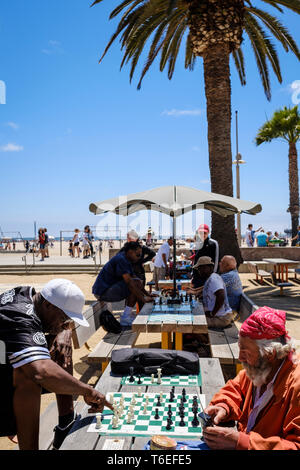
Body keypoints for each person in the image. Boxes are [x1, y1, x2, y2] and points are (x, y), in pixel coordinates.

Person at [0, 279, 112, 450]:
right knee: (29, 376)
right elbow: (41, 372)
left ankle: (65, 423)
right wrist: (88, 391)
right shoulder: (21, 316)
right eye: (63, 317)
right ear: (47, 305)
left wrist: (64, 331)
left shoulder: (29, 295)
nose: (64, 323)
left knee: (59, 346)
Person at [203, 306, 300, 450]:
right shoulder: (260, 367)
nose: (240, 357)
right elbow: (236, 388)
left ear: (270, 354)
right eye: (239, 348)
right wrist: (224, 406)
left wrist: (243, 442)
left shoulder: (296, 386)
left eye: (245, 351)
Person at [92, 241, 155, 326]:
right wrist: (143, 299)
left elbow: (136, 281)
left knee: (136, 281)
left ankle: (127, 315)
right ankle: (125, 317)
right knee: (132, 287)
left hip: (107, 289)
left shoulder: (126, 259)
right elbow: (129, 283)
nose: (139, 258)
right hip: (102, 292)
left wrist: (148, 294)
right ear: (130, 252)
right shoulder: (121, 259)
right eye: (138, 255)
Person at [188, 256, 233, 328]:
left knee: (191, 322)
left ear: (210, 267)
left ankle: (201, 339)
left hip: (221, 318)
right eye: (198, 269)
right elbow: (206, 290)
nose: (199, 271)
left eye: (201, 268)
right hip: (218, 316)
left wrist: (212, 313)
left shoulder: (214, 279)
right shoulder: (210, 278)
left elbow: (221, 295)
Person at [191, 224, 219, 288]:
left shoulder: (213, 243)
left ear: (208, 232)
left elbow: (216, 259)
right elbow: (196, 260)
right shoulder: (198, 244)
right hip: (197, 276)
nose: (203, 234)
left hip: (209, 276)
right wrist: (193, 274)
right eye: (201, 233)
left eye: (205, 233)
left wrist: (214, 274)